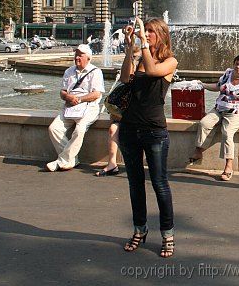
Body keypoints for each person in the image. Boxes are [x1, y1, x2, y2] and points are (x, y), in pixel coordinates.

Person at [118, 17, 178, 258]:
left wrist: (142, 42)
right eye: (147, 31)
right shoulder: (139, 58)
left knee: (159, 184)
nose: (148, 34)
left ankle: (168, 234)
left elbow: (153, 71)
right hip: (129, 128)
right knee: (135, 184)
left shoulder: (170, 61)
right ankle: (139, 229)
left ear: (161, 35)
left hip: (154, 130)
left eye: (152, 31)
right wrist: (129, 47)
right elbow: (124, 79)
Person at [189, 53, 239, 181]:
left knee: (226, 132)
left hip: (238, 113)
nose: (238, 67)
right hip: (219, 109)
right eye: (236, 63)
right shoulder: (228, 74)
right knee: (204, 123)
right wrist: (202, 85)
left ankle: (228, 166)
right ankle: (199, 151)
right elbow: (218, 87)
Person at [46, 44, 105, 171]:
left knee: (80, 129)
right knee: (53, 128)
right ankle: (71, 159)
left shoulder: (96, 72)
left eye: (80, 55)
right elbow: (62, 92)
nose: (77, 57)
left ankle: (61, 161)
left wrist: (79, 99)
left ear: (88, 58)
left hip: (89, 108)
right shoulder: (69, 71)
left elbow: (96, 94)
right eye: (76, 54)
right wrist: (68, 97)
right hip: (70, 107)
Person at [94, 46, 142, 177]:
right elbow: (113, 113)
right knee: (113, 128)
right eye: (132, 58)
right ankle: (112, 164)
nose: (134, 61)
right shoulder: (123, 87)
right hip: (126, 120)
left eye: (137, 58)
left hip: (142, 121)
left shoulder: (144, 81)